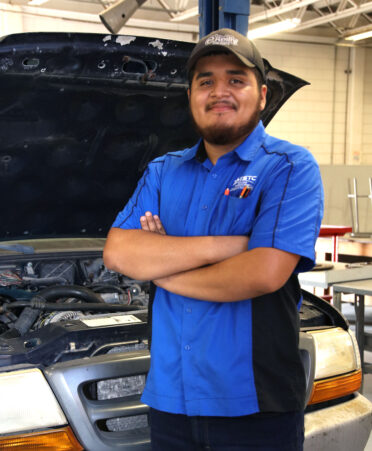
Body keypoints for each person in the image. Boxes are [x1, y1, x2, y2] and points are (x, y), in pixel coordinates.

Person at [104, 28, 324, 451]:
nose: (219, 91)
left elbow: (263, 273)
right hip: (170, 401)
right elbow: (118, 252)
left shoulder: (289, 166)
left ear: (262, 96)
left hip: (256, 407)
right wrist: (232, 244)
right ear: (191, 96)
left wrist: (163, 270)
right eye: (205, 81)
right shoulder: (163, 171)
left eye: (235, 79)